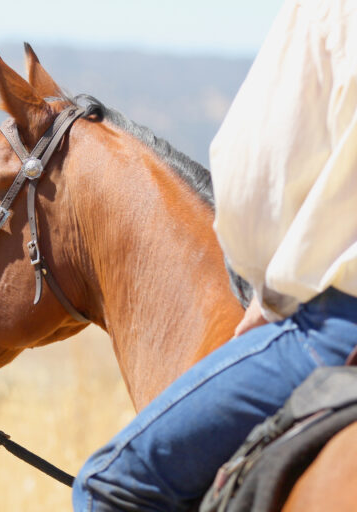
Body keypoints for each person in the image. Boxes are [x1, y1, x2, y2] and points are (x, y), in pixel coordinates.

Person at [72, 0, 357, 510]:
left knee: (107, 486)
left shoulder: (329, 11)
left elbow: (254, 178)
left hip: (342, 324)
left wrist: (266, 294)